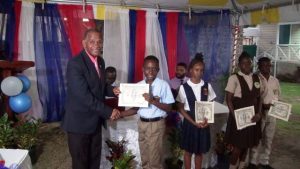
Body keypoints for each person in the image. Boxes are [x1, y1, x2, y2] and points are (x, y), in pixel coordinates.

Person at [61, 29, 120, 169]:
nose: (96, 45)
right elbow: (83, 96)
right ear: (84, 43)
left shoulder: (101, 61)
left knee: (94, 161)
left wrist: (114, 90)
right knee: (81, 163)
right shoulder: (75, 64)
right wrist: (108, 111)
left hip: (95, 122)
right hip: (79, 124)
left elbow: (100, 86)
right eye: (92, 41)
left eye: (99, 42)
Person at [114, 55, 175, 169]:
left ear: (158, 70)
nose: (150, 71)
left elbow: (169, 108)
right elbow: (136, 109)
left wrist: (152, 101)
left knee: (154, 160)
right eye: (148, 68)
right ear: (143, 69)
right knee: (145, 158)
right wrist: (120, 114)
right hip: (142, 124)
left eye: (154, 68)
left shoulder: (163, 85)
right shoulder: (139, 86)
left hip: (156, 125)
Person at [176, 53, 216, 169]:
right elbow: (180, 108)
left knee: (199, 152)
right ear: (190, 71)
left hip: (203, 121)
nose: (199, 73)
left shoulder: (207, 86)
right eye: (197, 70)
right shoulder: (184, 87)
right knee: (188, 151)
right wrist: (193, 122)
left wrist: (207, 120)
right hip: (189, 122)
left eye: (202, 70)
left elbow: (211, 104)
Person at [224, 51, 262, 169]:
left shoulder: (256, 78)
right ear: (239, 65)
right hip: (238, 117)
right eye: (244, 63)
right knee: (237, 148)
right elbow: (229, 99)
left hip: (252, 117)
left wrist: (259, 113)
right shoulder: (234, 78)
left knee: (247, 146)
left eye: (249, 63)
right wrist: (235, 116)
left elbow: (259, 98)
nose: (247, 66)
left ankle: (241, 167)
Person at [249, 57, 280, 169]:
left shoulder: (275, 81)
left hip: (272, 113)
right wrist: (262, 107)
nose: (266, 67)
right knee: (257, 137)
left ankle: (264, 161)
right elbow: (254, 97)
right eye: (263, 65)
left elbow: (277, 95)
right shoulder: (255, 79)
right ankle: (252, 161)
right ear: (259, 66)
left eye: (268, 65)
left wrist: (278, 106)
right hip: (259, 112)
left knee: (269, 138)